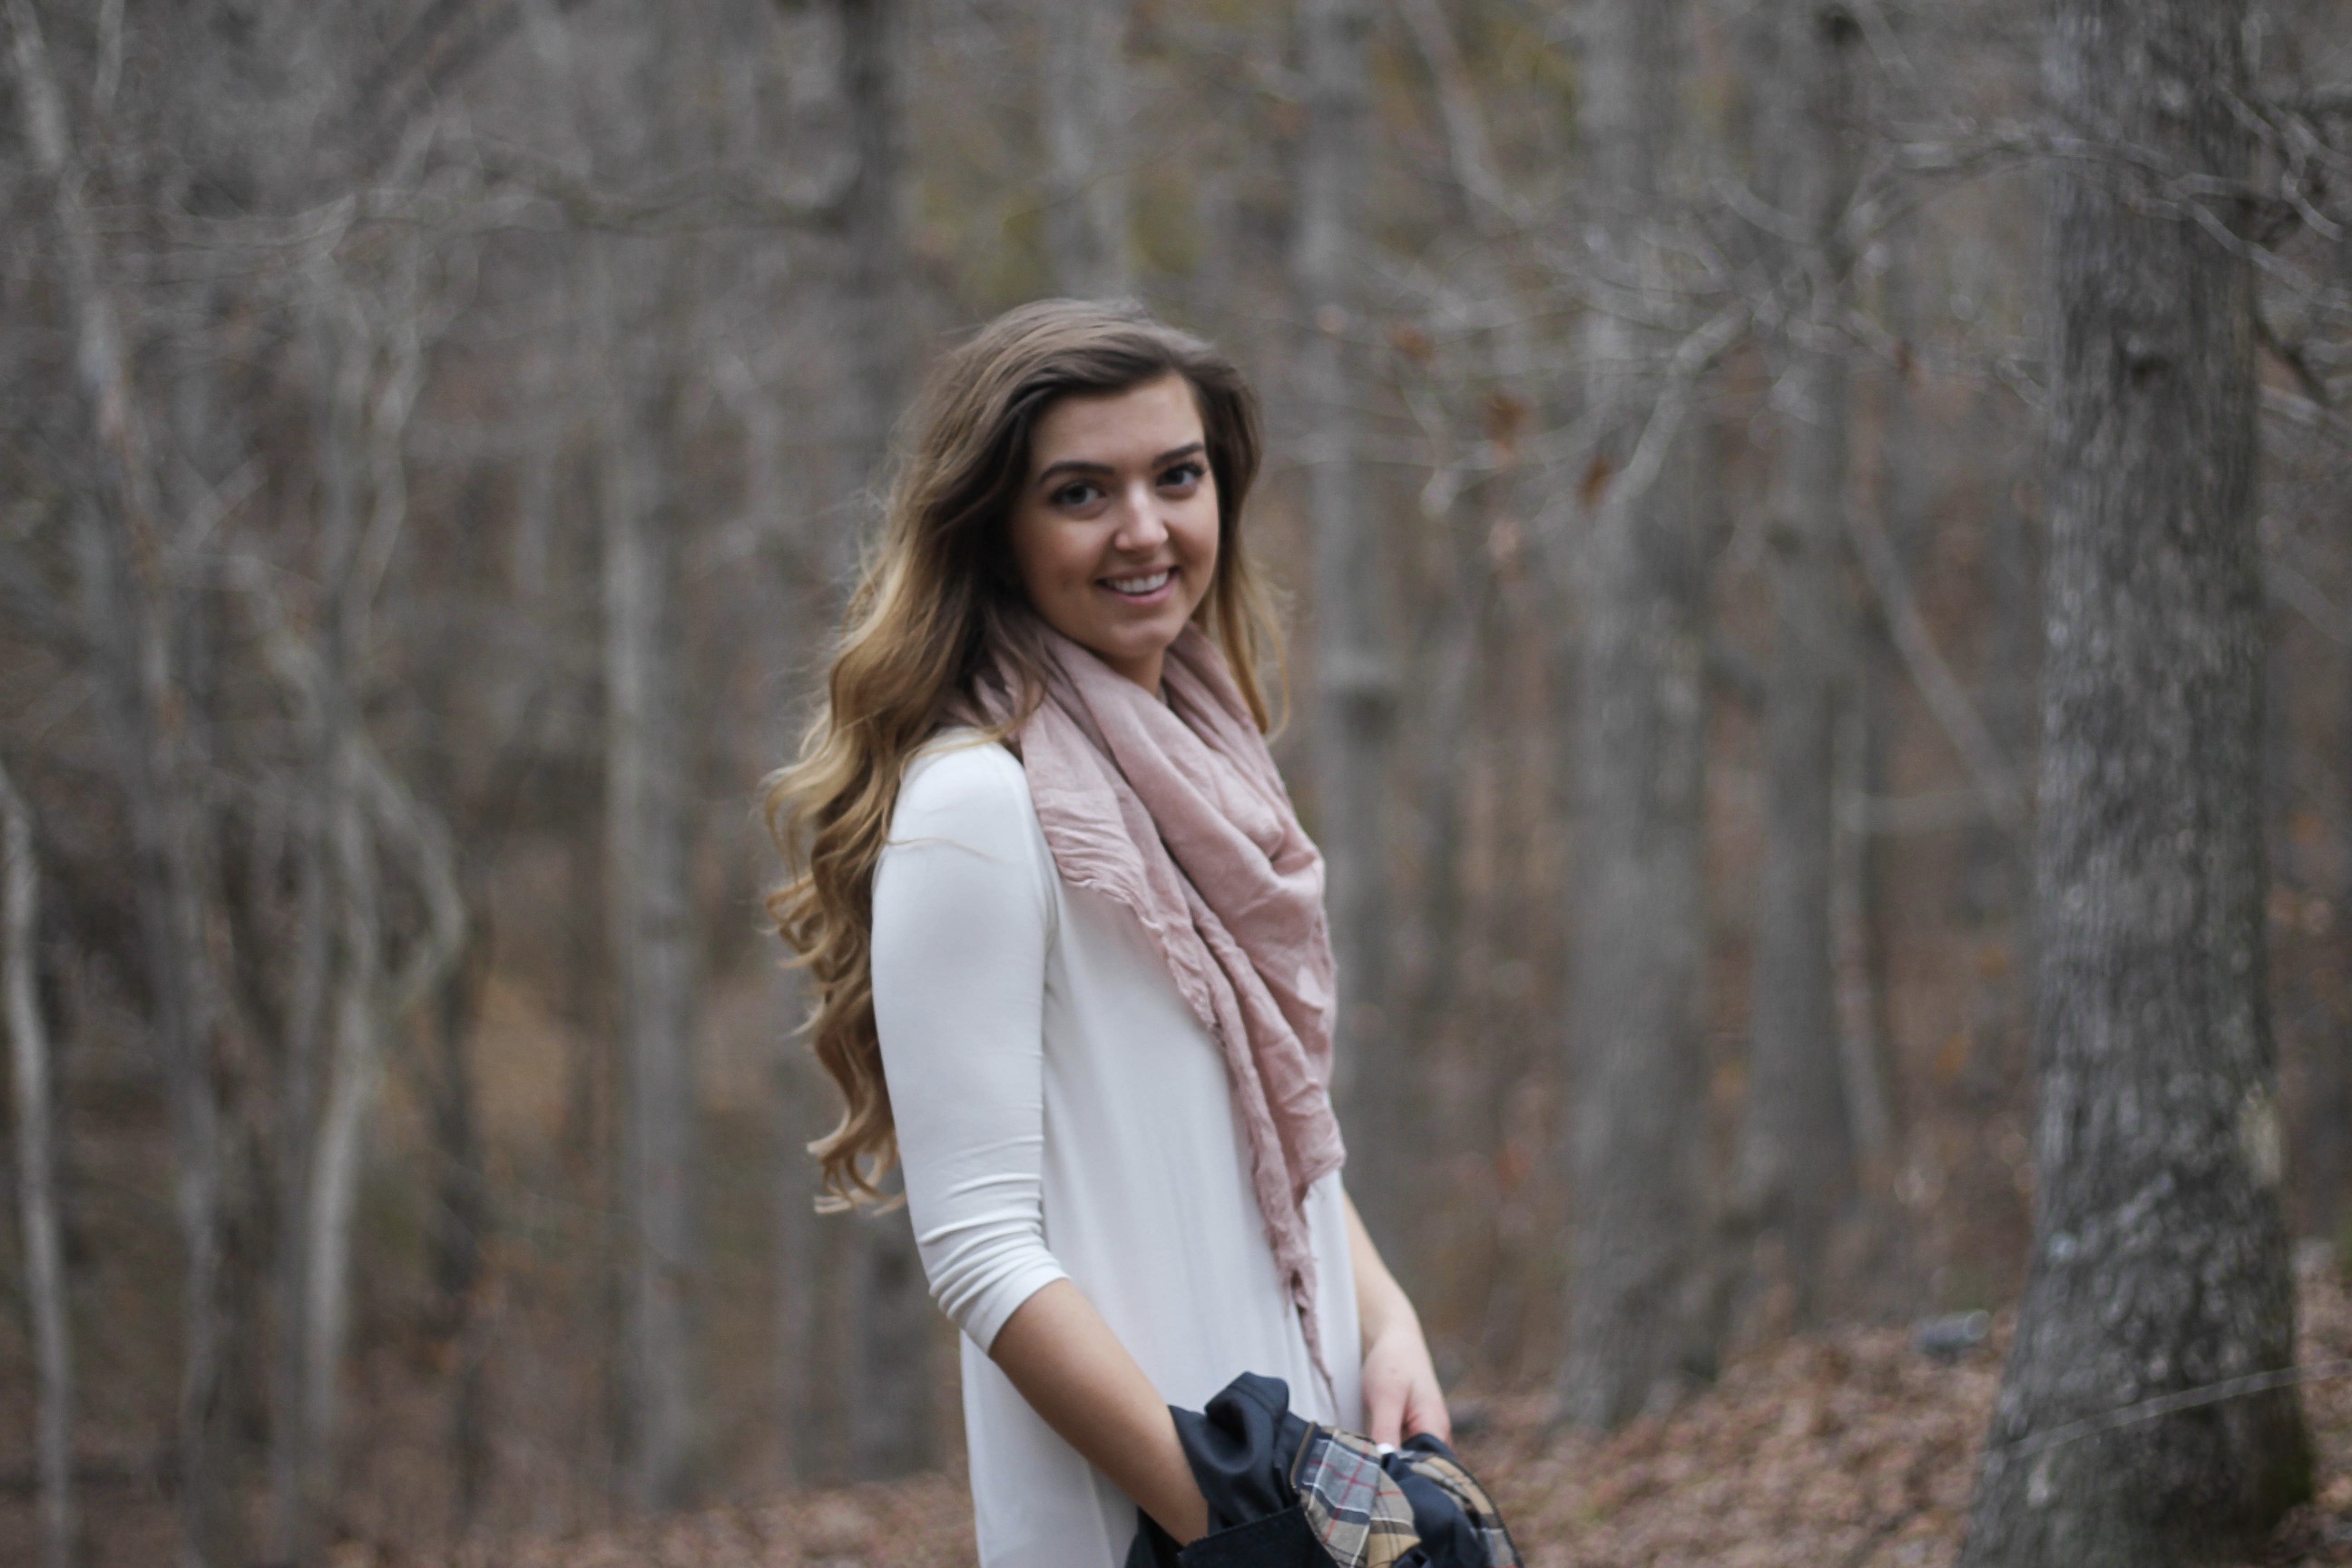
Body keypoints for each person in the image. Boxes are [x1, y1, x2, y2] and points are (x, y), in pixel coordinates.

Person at [766, 299, 1447, 1566]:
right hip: (1150, 1515)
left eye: (1177, 477)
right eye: (1082, 493)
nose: (1147, 530)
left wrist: (1389, 1324)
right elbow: (977, 1250)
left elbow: (1275, 1116)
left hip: (1314, 1469)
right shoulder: (977, 804)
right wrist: (1218, 1521)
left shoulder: (1211, 769)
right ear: (996, 534)